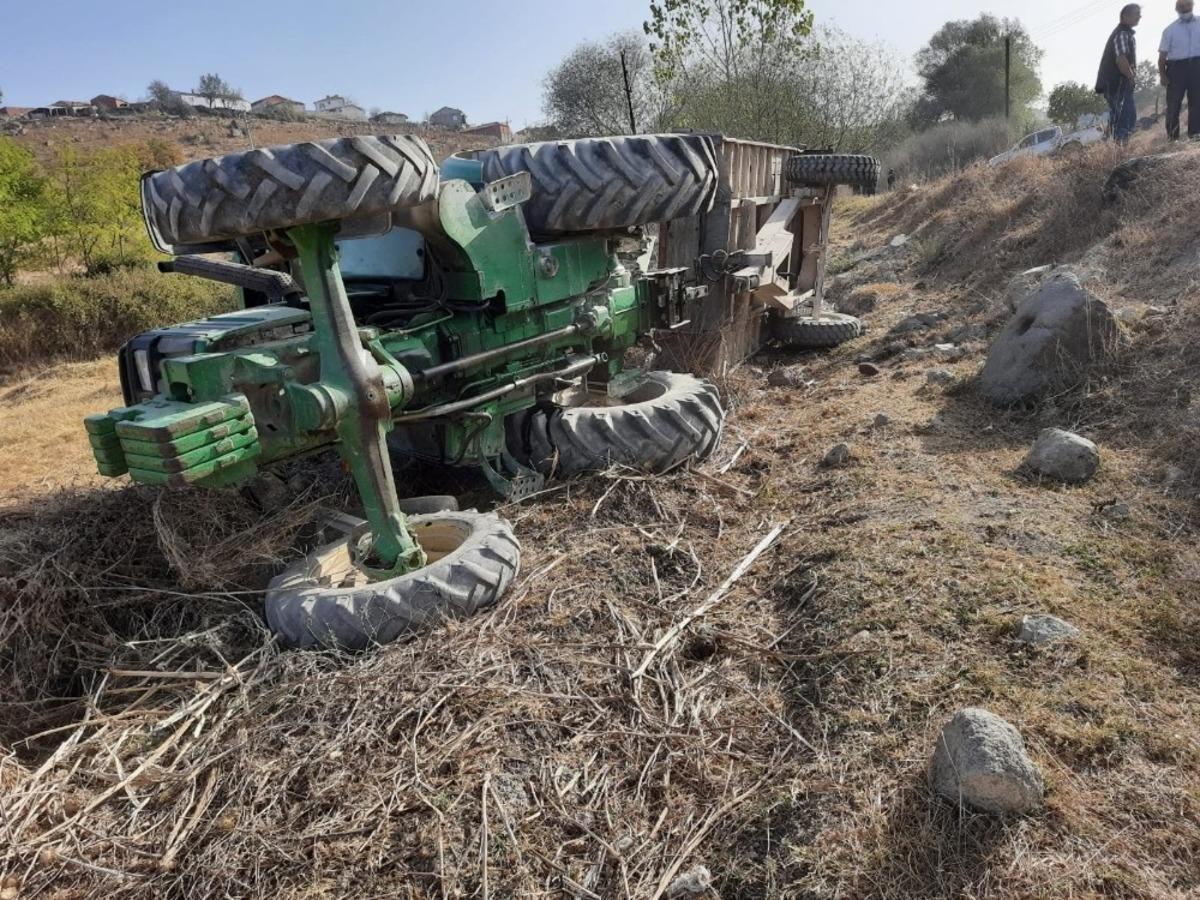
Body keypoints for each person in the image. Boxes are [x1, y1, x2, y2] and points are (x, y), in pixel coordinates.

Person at [1096, 4, 1142, 142]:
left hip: (1115, 82)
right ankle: (1120, 150)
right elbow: (1121, 59)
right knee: (1125, 116)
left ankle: (1118, 149)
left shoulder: (1124, 33)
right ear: (1125, 16)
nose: (1139, 17)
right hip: (1117, 82)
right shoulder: (1122, 34)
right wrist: (1131, 77)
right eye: (1136, 14)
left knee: (1121, 116)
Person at [1159, 0, 1200, 140]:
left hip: (1197, 66)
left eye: (1187, 5)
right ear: (1176, 9)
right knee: (1173, 104)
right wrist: (1162, 75)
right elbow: (1162, 56)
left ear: (1192, 5)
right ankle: (1172, 138)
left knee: (1197, 102)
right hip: (1176, 69)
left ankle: (1195, 134)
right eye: (1181, 7)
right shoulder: (1170, 30)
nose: (1184, 9)